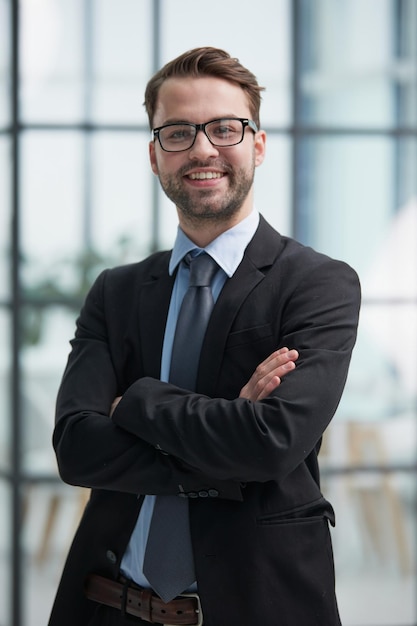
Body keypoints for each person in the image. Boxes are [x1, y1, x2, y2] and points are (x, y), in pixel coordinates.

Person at [48, 47, 361, 626]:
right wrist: (227, 436)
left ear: (258, 145)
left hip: (261, 607)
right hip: (108, 604)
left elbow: (271, 442)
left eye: (225, 128)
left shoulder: (319, 284)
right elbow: (76, 447)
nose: (201, 149)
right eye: (178, 132)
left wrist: (134, 403)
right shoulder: (115, 293)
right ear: (154, 155)